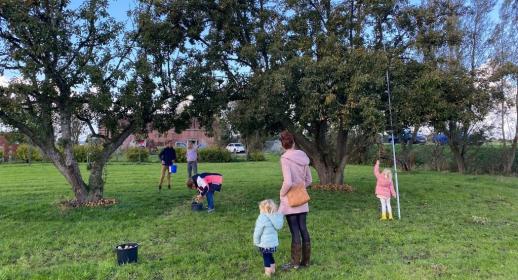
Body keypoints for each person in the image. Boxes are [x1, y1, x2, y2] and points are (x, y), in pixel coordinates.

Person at [278, 131, 312, 270]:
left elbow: (288, 182)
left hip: (290, 200)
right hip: (302, 199)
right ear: (294, 142)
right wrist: (301, 187)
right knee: (303, 228)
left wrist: (281, 193)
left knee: (295, 231)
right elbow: (309, 180)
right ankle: (306, 261)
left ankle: (295, 263)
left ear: (282, 144)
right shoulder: (304, 157)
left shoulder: (285, 159)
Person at [253, 199, 284, 277]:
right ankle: (273, 269)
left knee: (266, 257)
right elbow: (278, 226)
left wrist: (256, 241)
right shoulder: (276, 216)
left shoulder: (262, 218)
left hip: (264, 243)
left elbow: (258, 231)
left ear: (262, 209)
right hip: (273, 243)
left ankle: (267, 273)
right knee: (270, 255)